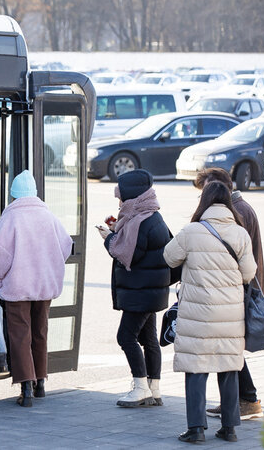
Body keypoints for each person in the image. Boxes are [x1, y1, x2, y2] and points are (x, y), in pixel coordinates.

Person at [164, 181, 256, 444]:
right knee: (228, 368)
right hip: (229, 315)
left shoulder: (192, 231)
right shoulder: (239, 233)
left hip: (198, 315)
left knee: (196, 369)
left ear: (203, 201)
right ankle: (229, 429)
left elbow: (168, 257)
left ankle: (196, 430)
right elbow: (249, 273)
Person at [0, 170, 72, 407]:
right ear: (34, 193)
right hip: (44, 287)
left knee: (20, 335)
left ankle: (26, 387)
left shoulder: (10, 219)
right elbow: (66, 245)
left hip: (18, 288)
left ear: (13, 195)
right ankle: (41, 382)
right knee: (40, 332)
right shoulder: (49, 217)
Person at [96, 169, 171, 408]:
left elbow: (129, 254)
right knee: (149, 338)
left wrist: (108, 238)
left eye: (122, 197)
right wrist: (118, 229)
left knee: (126, 337)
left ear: (132, 196)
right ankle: (154, 388)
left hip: (141, 292)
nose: (119, 202)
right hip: (151, 291)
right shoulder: (150, 216)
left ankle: (140, 388)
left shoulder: (140, 221)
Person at [194, 167, 264, 420]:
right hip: (238, 289)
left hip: (238, 291)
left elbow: (237, 259)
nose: (202, 197)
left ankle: (247, 399)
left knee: (229, 348)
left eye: (205, 190)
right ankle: (242, 400)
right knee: (229, 346)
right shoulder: (239, 209)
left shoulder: (238, 213)